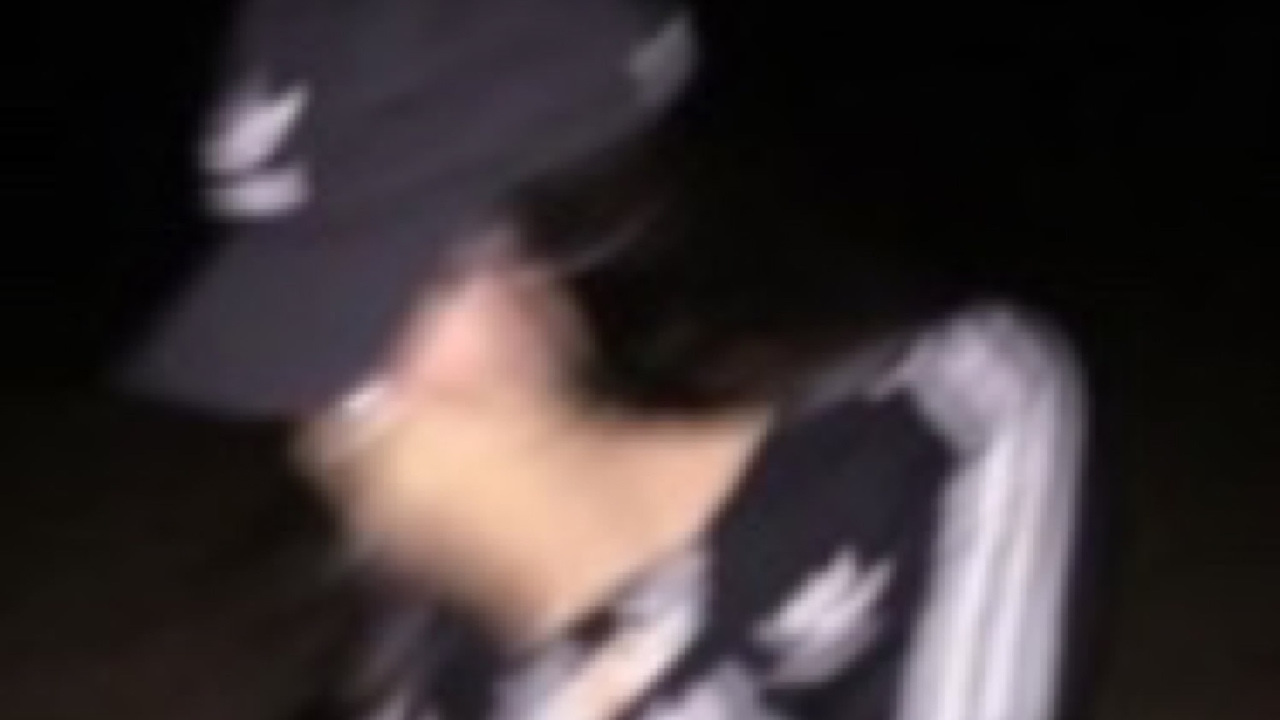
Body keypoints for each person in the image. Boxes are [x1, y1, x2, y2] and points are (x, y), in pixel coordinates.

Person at [121, 1, 1092, 718]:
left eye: (380, 296)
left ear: (581, 236)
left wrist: (562, 596)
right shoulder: (429, 576)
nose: (325, 398)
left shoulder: (948, 418)